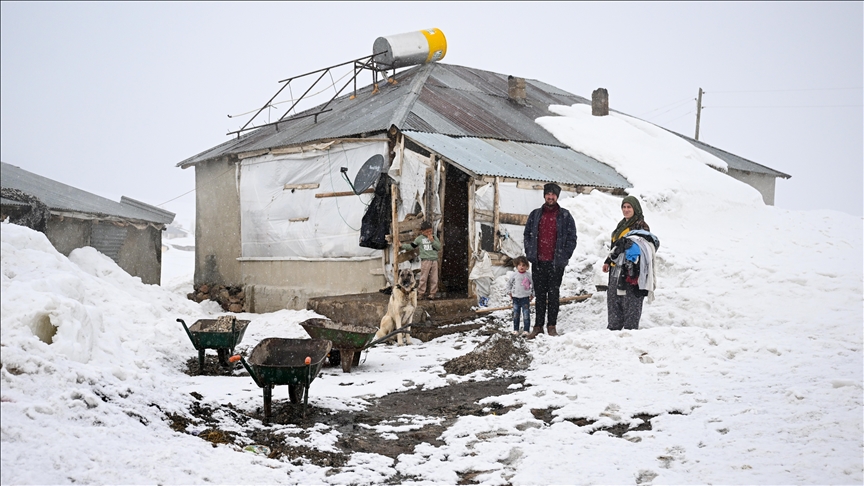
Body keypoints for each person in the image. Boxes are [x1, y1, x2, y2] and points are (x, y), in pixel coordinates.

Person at [523, 183, 578, 338]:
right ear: (544, 195)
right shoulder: (535, 215)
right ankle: (538, 326)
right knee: (540, 295)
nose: (551, 197)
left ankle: (551, 326)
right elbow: (527, 235)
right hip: (539, 262)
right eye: (548, 194)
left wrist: (564, 255)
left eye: (553, 195)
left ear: (557, 197)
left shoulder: (565, 216)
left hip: (556, 263)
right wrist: (530, 252)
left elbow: (572, 238)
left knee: (553, 295)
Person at [602, 196, 658, 330]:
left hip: (631, 270)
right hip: (616, 269)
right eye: (624, 207)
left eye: (629, 207)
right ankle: (613, 329)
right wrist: (608, 261)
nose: (626, 210)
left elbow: (645, 249)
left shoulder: (640, 225)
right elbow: (616, 246)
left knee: (630, 301)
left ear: (635, 209)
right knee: (614, 300)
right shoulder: (622, 225)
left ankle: (629, 332)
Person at [401, 221, 441, 300]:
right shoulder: (419, 239)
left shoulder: (434, 237)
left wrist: (432, 241)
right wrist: (402, 245)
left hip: (434, 260)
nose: (429, 233)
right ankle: (421, 293)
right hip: (425, 260)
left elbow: (438, 247)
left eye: (430, 231)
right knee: (423, 277)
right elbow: (411, 246)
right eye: (427, 232)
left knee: (434, 278)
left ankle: (433, 293)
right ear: (422, 232)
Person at [506, 256, 534, 337]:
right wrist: (509, 292)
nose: (521, 267)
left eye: (523, 265)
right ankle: (515, 330)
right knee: (516, 314)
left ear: (527, 266)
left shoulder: (528, 275)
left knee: (526, 315)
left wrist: (532, 294)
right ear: (516, 266)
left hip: (525, 298)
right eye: (520, 265)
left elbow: (533, 285)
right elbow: (509, 284)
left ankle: (526, 330)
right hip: (516, 298)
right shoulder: (514, 275)